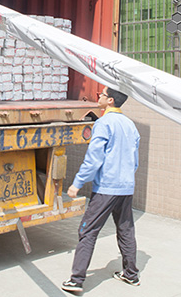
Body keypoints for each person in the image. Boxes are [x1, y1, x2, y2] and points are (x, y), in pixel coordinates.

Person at [61, 87, 141, 293]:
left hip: (107, 188)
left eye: (102, 94)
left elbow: (93, 159)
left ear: (110, 100)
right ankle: (131, 274)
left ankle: (76, 280)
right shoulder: (130, 125)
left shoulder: (103, 123)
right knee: (126, 230)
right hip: (126, 187)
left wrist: (77, 183)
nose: (99, 96)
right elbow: (134, 161)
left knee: (88, 231)